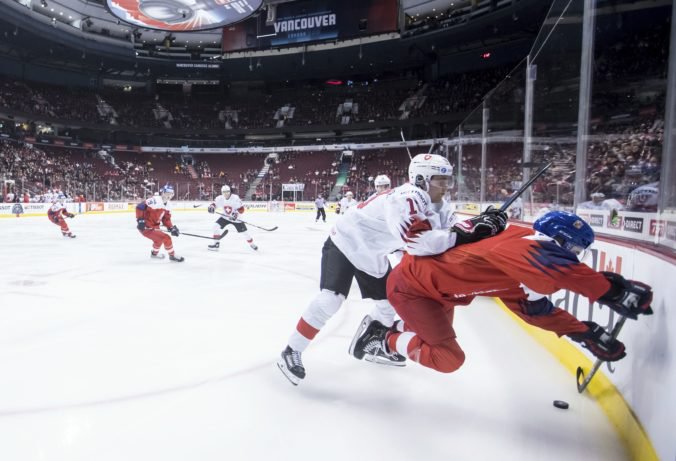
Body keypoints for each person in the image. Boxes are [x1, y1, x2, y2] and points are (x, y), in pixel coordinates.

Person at [277, 153, 508, 385]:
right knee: (331, 299)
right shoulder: (406, 197)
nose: (446, 186)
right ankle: (291, 350)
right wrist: (468, 231)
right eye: (440, 180)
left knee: (387, 305)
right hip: (346, 241)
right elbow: (418, 243)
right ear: (421, 179)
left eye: (448, 180)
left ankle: (369, 341)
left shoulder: (439, 204)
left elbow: (454, 232)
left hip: (373, 253)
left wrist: (481, 224)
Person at [350, 211, 653, 374]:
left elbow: (536, 312)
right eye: (573, 249)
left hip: (435, 293)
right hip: (411, 289)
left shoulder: (525, 267)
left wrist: (583, 332)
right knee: (447, 358)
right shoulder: (520, 243)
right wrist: (612, 292)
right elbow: (555, 266)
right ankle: (382, 336)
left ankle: (398, 329)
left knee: (432, 340)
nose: (575, 257)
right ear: (557, 241)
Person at [135, 185, 184, 262]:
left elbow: (166, 219)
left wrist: (171, 228)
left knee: (158, 240)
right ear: (163, 193)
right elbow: (140, 207)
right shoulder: (155, 200)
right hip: (146, 227)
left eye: (171, 194)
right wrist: (140, 220)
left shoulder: (168, 205)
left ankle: (154, 254)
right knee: (166, 238)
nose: (169, 196)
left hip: (155, 227)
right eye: (167, 193)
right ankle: (172, 255)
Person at [207, 185, 258, 251]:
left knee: (245, 233)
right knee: (215, 226)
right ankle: (216, 244)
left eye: (227, 192)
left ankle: (252, 244)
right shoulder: (220, 198)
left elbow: (242, 210)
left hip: (236, 219)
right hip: (225, 217)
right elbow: (214, 204)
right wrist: (212, 207)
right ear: (222, 192)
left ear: (230, 191)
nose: (226, 194)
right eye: (224, 192)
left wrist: (236, 214)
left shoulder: (235, 198)